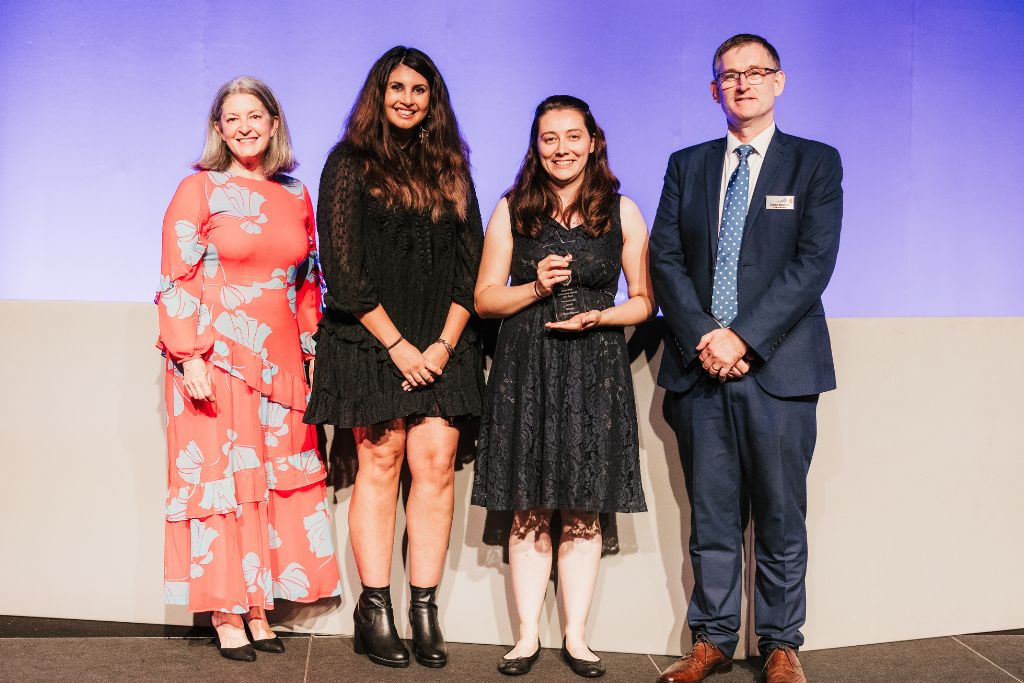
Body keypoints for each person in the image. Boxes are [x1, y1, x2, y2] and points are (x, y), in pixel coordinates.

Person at [650, 34, 842, 683]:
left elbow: (812, 265)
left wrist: (743, 338)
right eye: (729, 75)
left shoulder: (815, 163)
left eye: (756, 72)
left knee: (782, 514)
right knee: (712, 513)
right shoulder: (688, 165)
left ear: (778, 82)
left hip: (780, 370)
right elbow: (665, 259)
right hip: (700, 368)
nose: (743, 83)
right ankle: (712, 639)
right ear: (713, 89)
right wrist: (708, 334)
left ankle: (782, 643)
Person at [304, 46, 484, 669]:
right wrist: (401, 346)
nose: (408, 99)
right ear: (378, 94)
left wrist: (439, 345)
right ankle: (374, 609)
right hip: (369, 339)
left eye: (420, 90)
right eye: (397, 88)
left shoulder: (453, 166)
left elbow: (473, 266)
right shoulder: (348, 163)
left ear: (434, 100)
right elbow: (344, 274)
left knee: (433, 464)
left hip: (443, 344)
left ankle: (424, 610)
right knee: (379, 460)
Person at [157, 76, 341, 662]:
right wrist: (187, 358)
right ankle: (225, 612)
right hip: (216, 359)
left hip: (282, 362)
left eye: (254, 116)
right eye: (231, 118)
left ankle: (259, 605)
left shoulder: (297, 193)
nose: (244, 127)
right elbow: (174, 280)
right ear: (218, 129)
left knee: (268, 483)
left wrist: (313, 356)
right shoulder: (199, 190)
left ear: (274, 123)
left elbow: (308, 284)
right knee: (223, 483)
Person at [472, 95, 654, 678]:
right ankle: (527, 637)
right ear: (536, 144)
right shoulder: (512, 210)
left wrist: (600, 317)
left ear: (593, 140)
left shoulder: (622, 211)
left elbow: (645, 303)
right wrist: (534, 288)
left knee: (581, 510)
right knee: (528, 507)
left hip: (595, 369)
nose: (561, 149)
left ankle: (576, 637)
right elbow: (483, 298)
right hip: (527, 368)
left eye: (573, 137)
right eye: (549, 138)